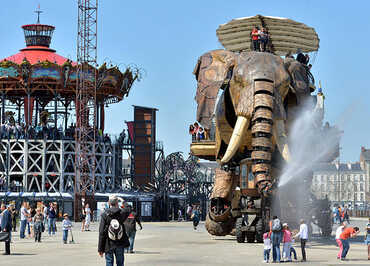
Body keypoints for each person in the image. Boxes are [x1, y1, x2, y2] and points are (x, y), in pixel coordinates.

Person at [98, 195, 130, 266]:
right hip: (120, 242)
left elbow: (101, 232)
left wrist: (100, 249)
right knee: (120, 263)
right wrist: (122, 200)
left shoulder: (104, 215)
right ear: (117, 203)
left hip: (108, 243)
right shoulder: (121, 213)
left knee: (109, 262)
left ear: (109, 203)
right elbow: (128, 208)